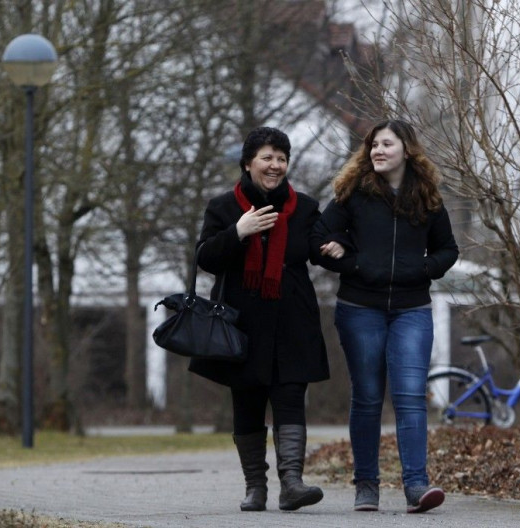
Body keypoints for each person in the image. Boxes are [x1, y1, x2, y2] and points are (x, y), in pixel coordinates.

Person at [311, 119, 459, 514]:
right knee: (368, 397)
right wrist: (348, 255)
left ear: (406, 150)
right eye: (373, 145)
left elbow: (448, 250)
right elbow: (317, 239)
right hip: (360, 308)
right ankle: (366, 485)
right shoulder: (354, 194)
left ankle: (415, 485)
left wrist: (421, 270)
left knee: (410, 397)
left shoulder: (427, 197)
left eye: (386, 144)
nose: (377, 150)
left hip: (412, 310)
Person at [188, 126, 330, 512]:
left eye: (282, 158)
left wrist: (334, 247)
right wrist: (238, 231)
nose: (275, 165)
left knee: (290, 398)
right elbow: (205, 258)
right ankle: (256, 488)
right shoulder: (223, 207)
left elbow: (317, 249)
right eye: (267, 157)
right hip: (242, 321)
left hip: (292, 318)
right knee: (247, 401)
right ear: (248, 163)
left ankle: (292, 484)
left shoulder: (304, 206)